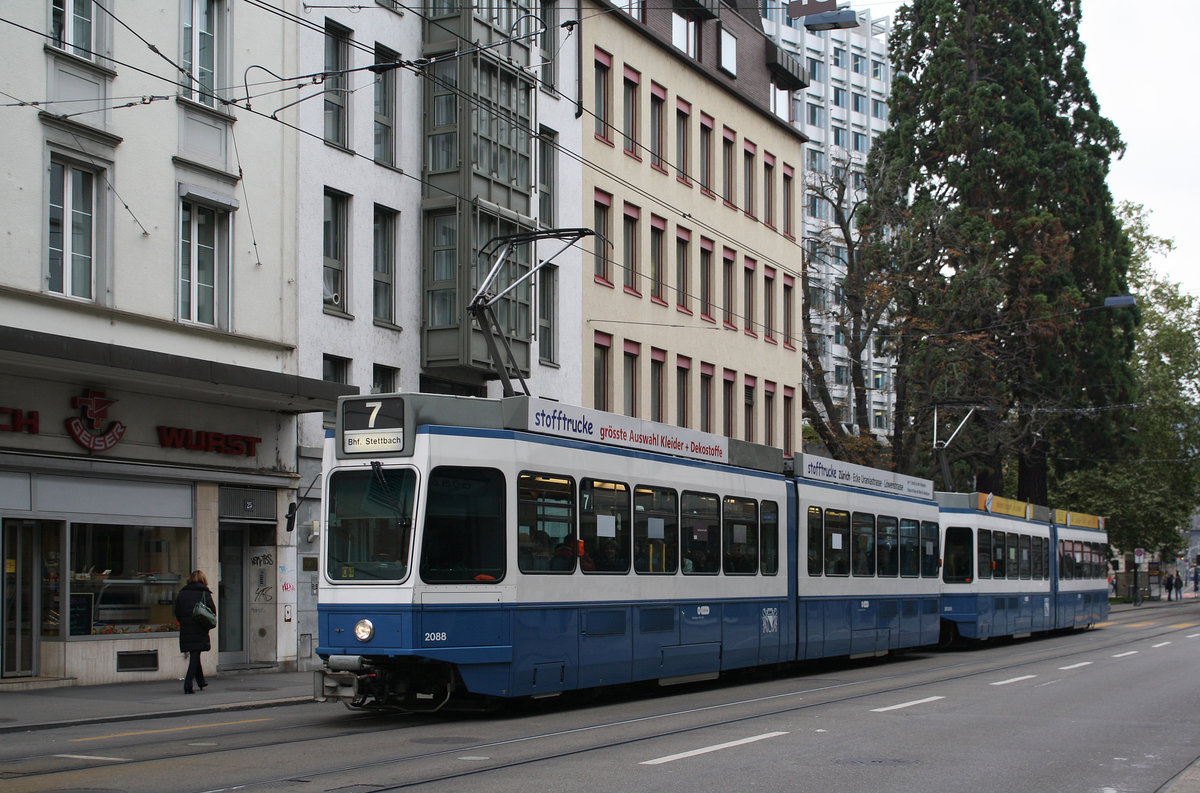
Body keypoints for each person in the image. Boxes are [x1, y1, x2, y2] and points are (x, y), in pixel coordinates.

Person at [175, 570, 216, 694]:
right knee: (195, 655)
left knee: (195, 653)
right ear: (203, 580)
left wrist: (184, 622)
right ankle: (188, 684)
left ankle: (201, 681)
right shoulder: (204, 593)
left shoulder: (182, 593)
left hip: (186, 628)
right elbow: (212, 611)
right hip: (199, 627)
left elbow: (177, 612)